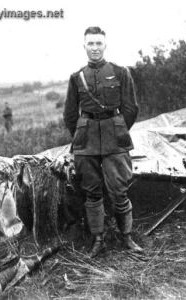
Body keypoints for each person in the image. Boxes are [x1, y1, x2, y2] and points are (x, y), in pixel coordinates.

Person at [63, 26, 143, 258]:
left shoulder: (120, 73)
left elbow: (131, 107)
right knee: (92, 192)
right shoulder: (76, 77)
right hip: (86, 142)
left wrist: (117, 129)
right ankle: (98, 240)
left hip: (114, 140)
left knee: (119, 190)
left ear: (105, 45)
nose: (95, 48)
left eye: (99, 43)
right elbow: (70, 114)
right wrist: (80, 134)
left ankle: (126, 238)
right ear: (84, 46)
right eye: (91, 44)